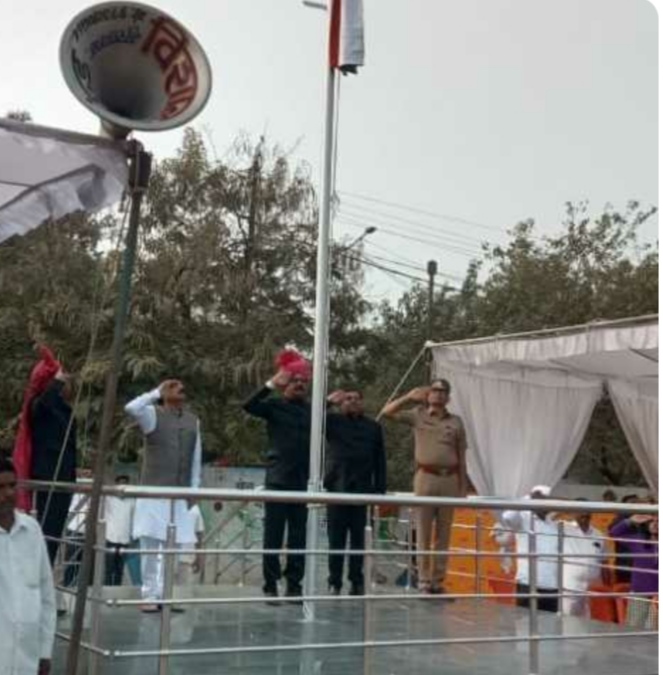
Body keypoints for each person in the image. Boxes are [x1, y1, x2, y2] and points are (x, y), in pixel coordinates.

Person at [381, 379, 468, 594]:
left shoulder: (456, 421)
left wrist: (462, 487)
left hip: (449, 478)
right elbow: (387, 412)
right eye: (434, 390)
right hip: (425, 476)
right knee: (423, 530)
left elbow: (462, 456)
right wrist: (409, 397)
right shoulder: (417, 414)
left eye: (443, 391)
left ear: (448, 397)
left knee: (444, 533)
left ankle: (438, 580)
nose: (438, 394)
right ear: (428, 394)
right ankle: (424, 579)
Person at [125, 379, 203, 612]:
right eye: (173, 386)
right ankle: (149, 595)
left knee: (175, 550)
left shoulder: (193, 420)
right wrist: (156, 392)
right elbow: (131, 407)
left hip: (180, 494)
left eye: (181, 387)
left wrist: (195, 489)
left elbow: (196, 457)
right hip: (153, 492)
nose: (179, 388)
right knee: (150, 547)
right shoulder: (151, 414)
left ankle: (166, 594)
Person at [243, 351, 312, 602]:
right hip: (278, 479)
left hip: (302, 481)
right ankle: (270, 584)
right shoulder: (274, 405)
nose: (299, 384)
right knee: (273, 535)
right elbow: (248, 405)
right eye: (294, 380)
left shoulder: (312, 410)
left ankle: (294, 585)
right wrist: (271, 384)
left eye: (303, 381)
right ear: (285, 384)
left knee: (298, 537)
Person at [13, 347, 77, 566]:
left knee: (54, 532)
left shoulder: (63, 408)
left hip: (64, 477)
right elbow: (45, 402)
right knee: (46, 531)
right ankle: (40, 569)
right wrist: (56, 381)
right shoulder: (39, 405)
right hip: (49, 476)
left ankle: (45, 568)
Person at [324, 389, 386, 596]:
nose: (352, 402)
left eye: (356, 398)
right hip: (337, 488)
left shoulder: (373, 427)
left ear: (362, 402)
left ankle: (356, 581)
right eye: (348, 398)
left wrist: (380, 489)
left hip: (363, 490)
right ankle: (334, 581)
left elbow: (380, 459)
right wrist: (328, 402)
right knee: (336, 539)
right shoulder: (332, 421)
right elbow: (311, 418)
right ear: (342, 403)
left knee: (359, 540)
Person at [0, 457, 56, 675]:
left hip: (28, 659)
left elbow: (46, 593)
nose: (8, 493)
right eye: (0, 487)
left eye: (12, 485)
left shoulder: (31, 529)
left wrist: (45, 652)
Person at [501, 486, 561, 613]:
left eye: (547, 500)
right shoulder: (523, 518)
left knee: (550, 623)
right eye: (541, 500)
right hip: (528, 583)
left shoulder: (553, 524)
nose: (545, 504)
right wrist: (527, 498)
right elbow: (507, 516)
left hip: (552, 585)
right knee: (525, 621)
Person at [609, 511, 659, 629]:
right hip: (639, 593)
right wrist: (630, 521)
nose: (655, 524)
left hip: (658, 595)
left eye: (659, 521)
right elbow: (614, 533)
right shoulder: (638, 540)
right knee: (634, 628)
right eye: (652, 521)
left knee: (654, 630)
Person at [561, 499, 609, 617]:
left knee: (590, 619)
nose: (585, 514)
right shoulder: (563, 528)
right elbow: (548, 516)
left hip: (593, 587)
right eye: (580, 510)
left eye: (587, 510)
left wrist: (606, 584)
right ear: (573, 512)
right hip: (570, 586)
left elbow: (604, 561)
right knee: (568, 619)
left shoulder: (598, 534)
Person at [103, 475, 135, 586]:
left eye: (125, 484)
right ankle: (107, 589)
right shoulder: (109, 499)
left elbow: (133, 519)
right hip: (110, 538)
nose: (122, 487)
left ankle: (117, 589)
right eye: (120, 484)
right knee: (108, 567)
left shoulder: (132, 501)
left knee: (119, 568)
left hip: (125, 539)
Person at [608, 494, 640, 584]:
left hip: (641, 565)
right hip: (624, 567)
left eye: (637, 503)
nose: (635, 506)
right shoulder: (619, 521)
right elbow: (612, 531)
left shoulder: (644, 521)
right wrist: (630, 521)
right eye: (632, 503)